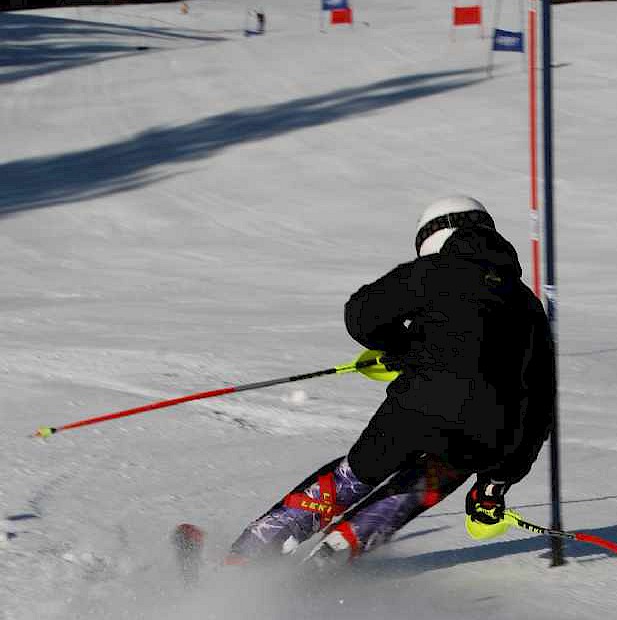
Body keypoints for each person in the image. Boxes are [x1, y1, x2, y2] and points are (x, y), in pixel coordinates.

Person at [226, 195, 555, 565]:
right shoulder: (529, 305)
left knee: (355, 476)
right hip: (489, 436)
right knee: (435, 474)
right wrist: (495, 484)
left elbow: (362, 315)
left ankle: (246, 558)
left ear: (434, 237)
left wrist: (403, 345)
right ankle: (331, 562)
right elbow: (540, 405)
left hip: (418, 408)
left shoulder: (437, 271)